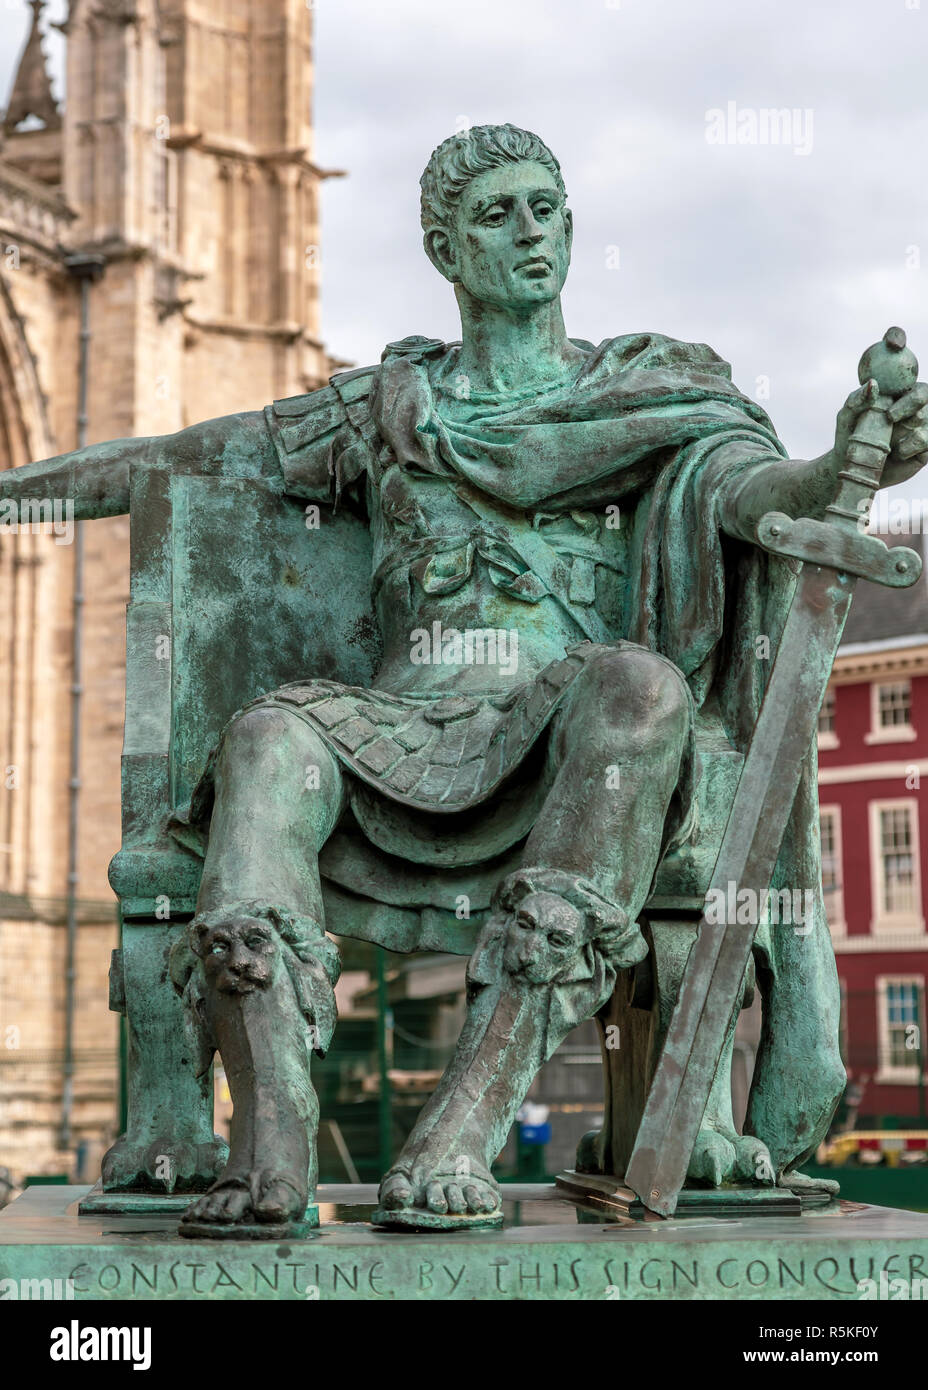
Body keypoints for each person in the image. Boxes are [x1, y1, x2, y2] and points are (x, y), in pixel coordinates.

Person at [3, 124, 926, 1231]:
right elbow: (184, 458)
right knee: (264, 740)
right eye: (497, 214)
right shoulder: (384, 407)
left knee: (639, 691)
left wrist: (846, 463)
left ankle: (465, 1121)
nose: (530, 231)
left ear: (573, 230)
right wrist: (19, 493)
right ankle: (275, 1137)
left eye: (546, 208)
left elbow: (754, 493)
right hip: (397, 726)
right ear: (445, 249)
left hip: (567, 737)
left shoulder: (650, 390)